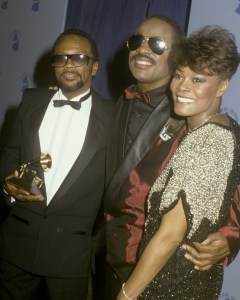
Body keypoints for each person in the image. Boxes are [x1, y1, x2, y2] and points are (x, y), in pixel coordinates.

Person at [103, 15, 240, 299]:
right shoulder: (112, 105)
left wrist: (232, 237)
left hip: (161, 270)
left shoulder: (199, 122)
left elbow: (230, 189)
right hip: (109, 253)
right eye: (137, 41)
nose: (143, 49)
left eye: (156, 43)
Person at [0, 29, 113, 300]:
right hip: (16, 246)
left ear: (94, 66)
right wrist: (8, 186)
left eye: (79, 58)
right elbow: (9, 153)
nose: (68, 65)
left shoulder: (113, 117)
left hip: (70, 255)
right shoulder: (31, 100)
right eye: (60, 58)